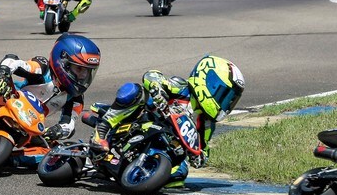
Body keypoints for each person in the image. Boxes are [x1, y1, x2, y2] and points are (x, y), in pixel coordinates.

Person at [90, 55, 245, 187]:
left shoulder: (207, 124)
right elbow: (152, 76)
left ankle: (138, 174)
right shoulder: (181, 87)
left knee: (180, 173)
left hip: (164, 144)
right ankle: (102, 131)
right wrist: (157, 89)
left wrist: (200, 157)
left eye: (230, 100)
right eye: (224, 96)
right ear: (209, 82)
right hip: (139, 121)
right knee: (134, 91)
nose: (226, 103)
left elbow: (202, 148)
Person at [0, 34, 102, 145]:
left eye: (87, 71)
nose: (82, 76)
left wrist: (58, 130)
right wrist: (4, 73)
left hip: (30, 124)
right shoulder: (43, 68)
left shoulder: (76, 97)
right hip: (9, 98)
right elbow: (14, 62)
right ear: (62, 61)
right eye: (79, 69)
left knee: (49, 151)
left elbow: (69, 124)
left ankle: (13, 159)